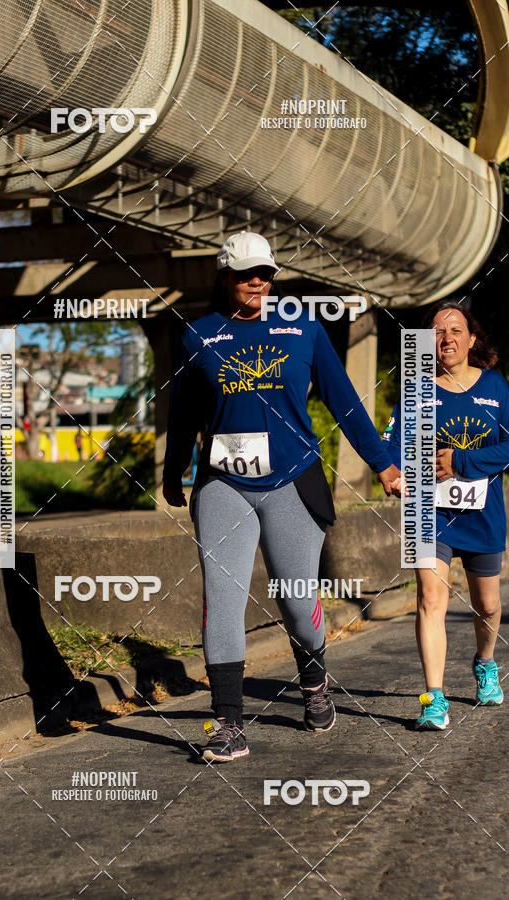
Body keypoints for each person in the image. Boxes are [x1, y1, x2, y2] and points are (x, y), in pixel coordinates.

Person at [162, 231, 400, 762]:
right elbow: (183, 413)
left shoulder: (303, 329)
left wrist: (383, 463)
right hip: (223, 483)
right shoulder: (199, 336)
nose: (257, 282)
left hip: (292, 481)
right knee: (222, 600)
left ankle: (313, 683)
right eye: (246, 273)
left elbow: (344, 403)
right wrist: (173, 469)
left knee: (296, 600)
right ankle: (227, 724)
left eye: (265, 273)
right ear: (224, 277)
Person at [383, 301, 507, 730]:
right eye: (437, 331)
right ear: (426, 342)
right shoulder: (417, 389)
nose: (447, 338)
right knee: (430, 598)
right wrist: (393, 472)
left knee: (488, 605)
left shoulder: (495, 386)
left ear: (472, 339)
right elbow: (395, 440)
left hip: (483, 512)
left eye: (456, 330)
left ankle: (485, 662)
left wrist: (462, 462)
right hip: (427, 509)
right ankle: (433, 699)